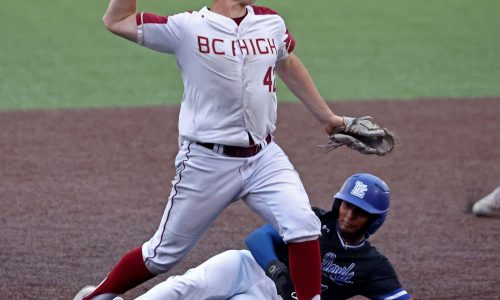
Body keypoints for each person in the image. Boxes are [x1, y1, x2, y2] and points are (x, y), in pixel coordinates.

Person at [74, 0, 358, 299]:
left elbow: (285, 60)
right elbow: (116, 21)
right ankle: (95, 297)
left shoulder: (270, 22)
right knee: (161, 255)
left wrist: (327, 118)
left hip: (264, 157)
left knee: (302, 224)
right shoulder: (186, 28)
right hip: (206, 161)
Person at [127, 173, 412, 300]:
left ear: (373, 220)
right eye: (348, 205)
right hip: (249, 267)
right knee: (185, 287)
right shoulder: (311, 219)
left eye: (360, 212)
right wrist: (278, 271)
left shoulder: (372, 264)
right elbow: (259, 238)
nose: (349, 215)